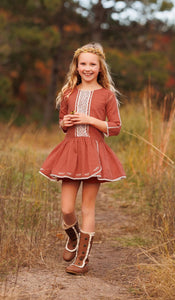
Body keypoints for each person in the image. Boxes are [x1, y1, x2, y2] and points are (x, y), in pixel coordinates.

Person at [39, 42, 126, 275]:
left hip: (94, 154)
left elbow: (115, 128)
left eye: (92, 64)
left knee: (88, 208)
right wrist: (64, 123)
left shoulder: (106, 95)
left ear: (100, 68)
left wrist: (89, 119)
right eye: (83, 64)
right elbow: (63, 123)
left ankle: (82, 260)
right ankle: (74, 238)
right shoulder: (68, 93)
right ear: (76, 67)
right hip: (71, 152)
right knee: (67, 209)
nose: (87, 68)